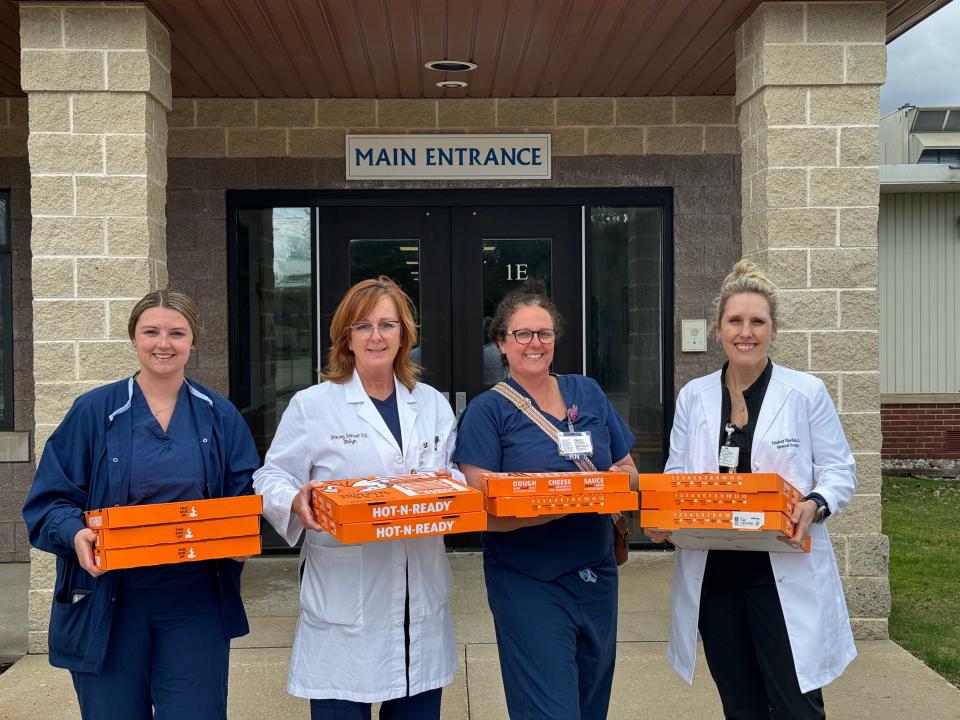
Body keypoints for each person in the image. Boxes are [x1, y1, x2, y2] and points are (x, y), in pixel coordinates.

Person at [22, 290, 260, 720]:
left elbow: (246, 500)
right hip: (110, 603)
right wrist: (75, 534)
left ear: (193, 340)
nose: (163, 343)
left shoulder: (220, 416)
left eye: (176, 333)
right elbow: (49, 501)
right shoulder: (94, 412)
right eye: (151, 331)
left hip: (194, 602)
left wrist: (243, 535)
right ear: (134, 337)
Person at [646, 259, 857, 719]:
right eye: (735, 321)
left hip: (780, 575)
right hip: (716, 579)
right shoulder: (694, 396)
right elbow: (677, 475)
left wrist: (816, 504)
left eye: (757, 321)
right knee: (740, 707)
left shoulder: (806, 393)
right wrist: (663, 519)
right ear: (719, 330)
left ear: (773, 330)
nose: (747, 332)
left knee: (795, 707)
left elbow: (840, 470)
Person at [253, 276, 459, 720]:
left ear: (404, 333)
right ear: (346, 337)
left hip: (418, 599)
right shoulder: (313, 406)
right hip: (347, 601)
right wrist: (295, 500)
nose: (376, 336)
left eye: (388, 324)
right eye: (363, 326)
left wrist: (453, 489)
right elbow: (271, 476)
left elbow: (450, 473)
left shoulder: (432, 404)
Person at [453, 288, 639, 720]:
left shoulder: (587, 392)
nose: (535, 343)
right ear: (501, 342)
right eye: (522, 334)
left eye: (544, 333)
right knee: (549, 710)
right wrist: (570, 498)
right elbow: (482, 511)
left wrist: (613, 483)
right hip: (528, 579)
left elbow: (628, 470)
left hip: (596, 573)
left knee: (592, 704)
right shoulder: (487, 412)